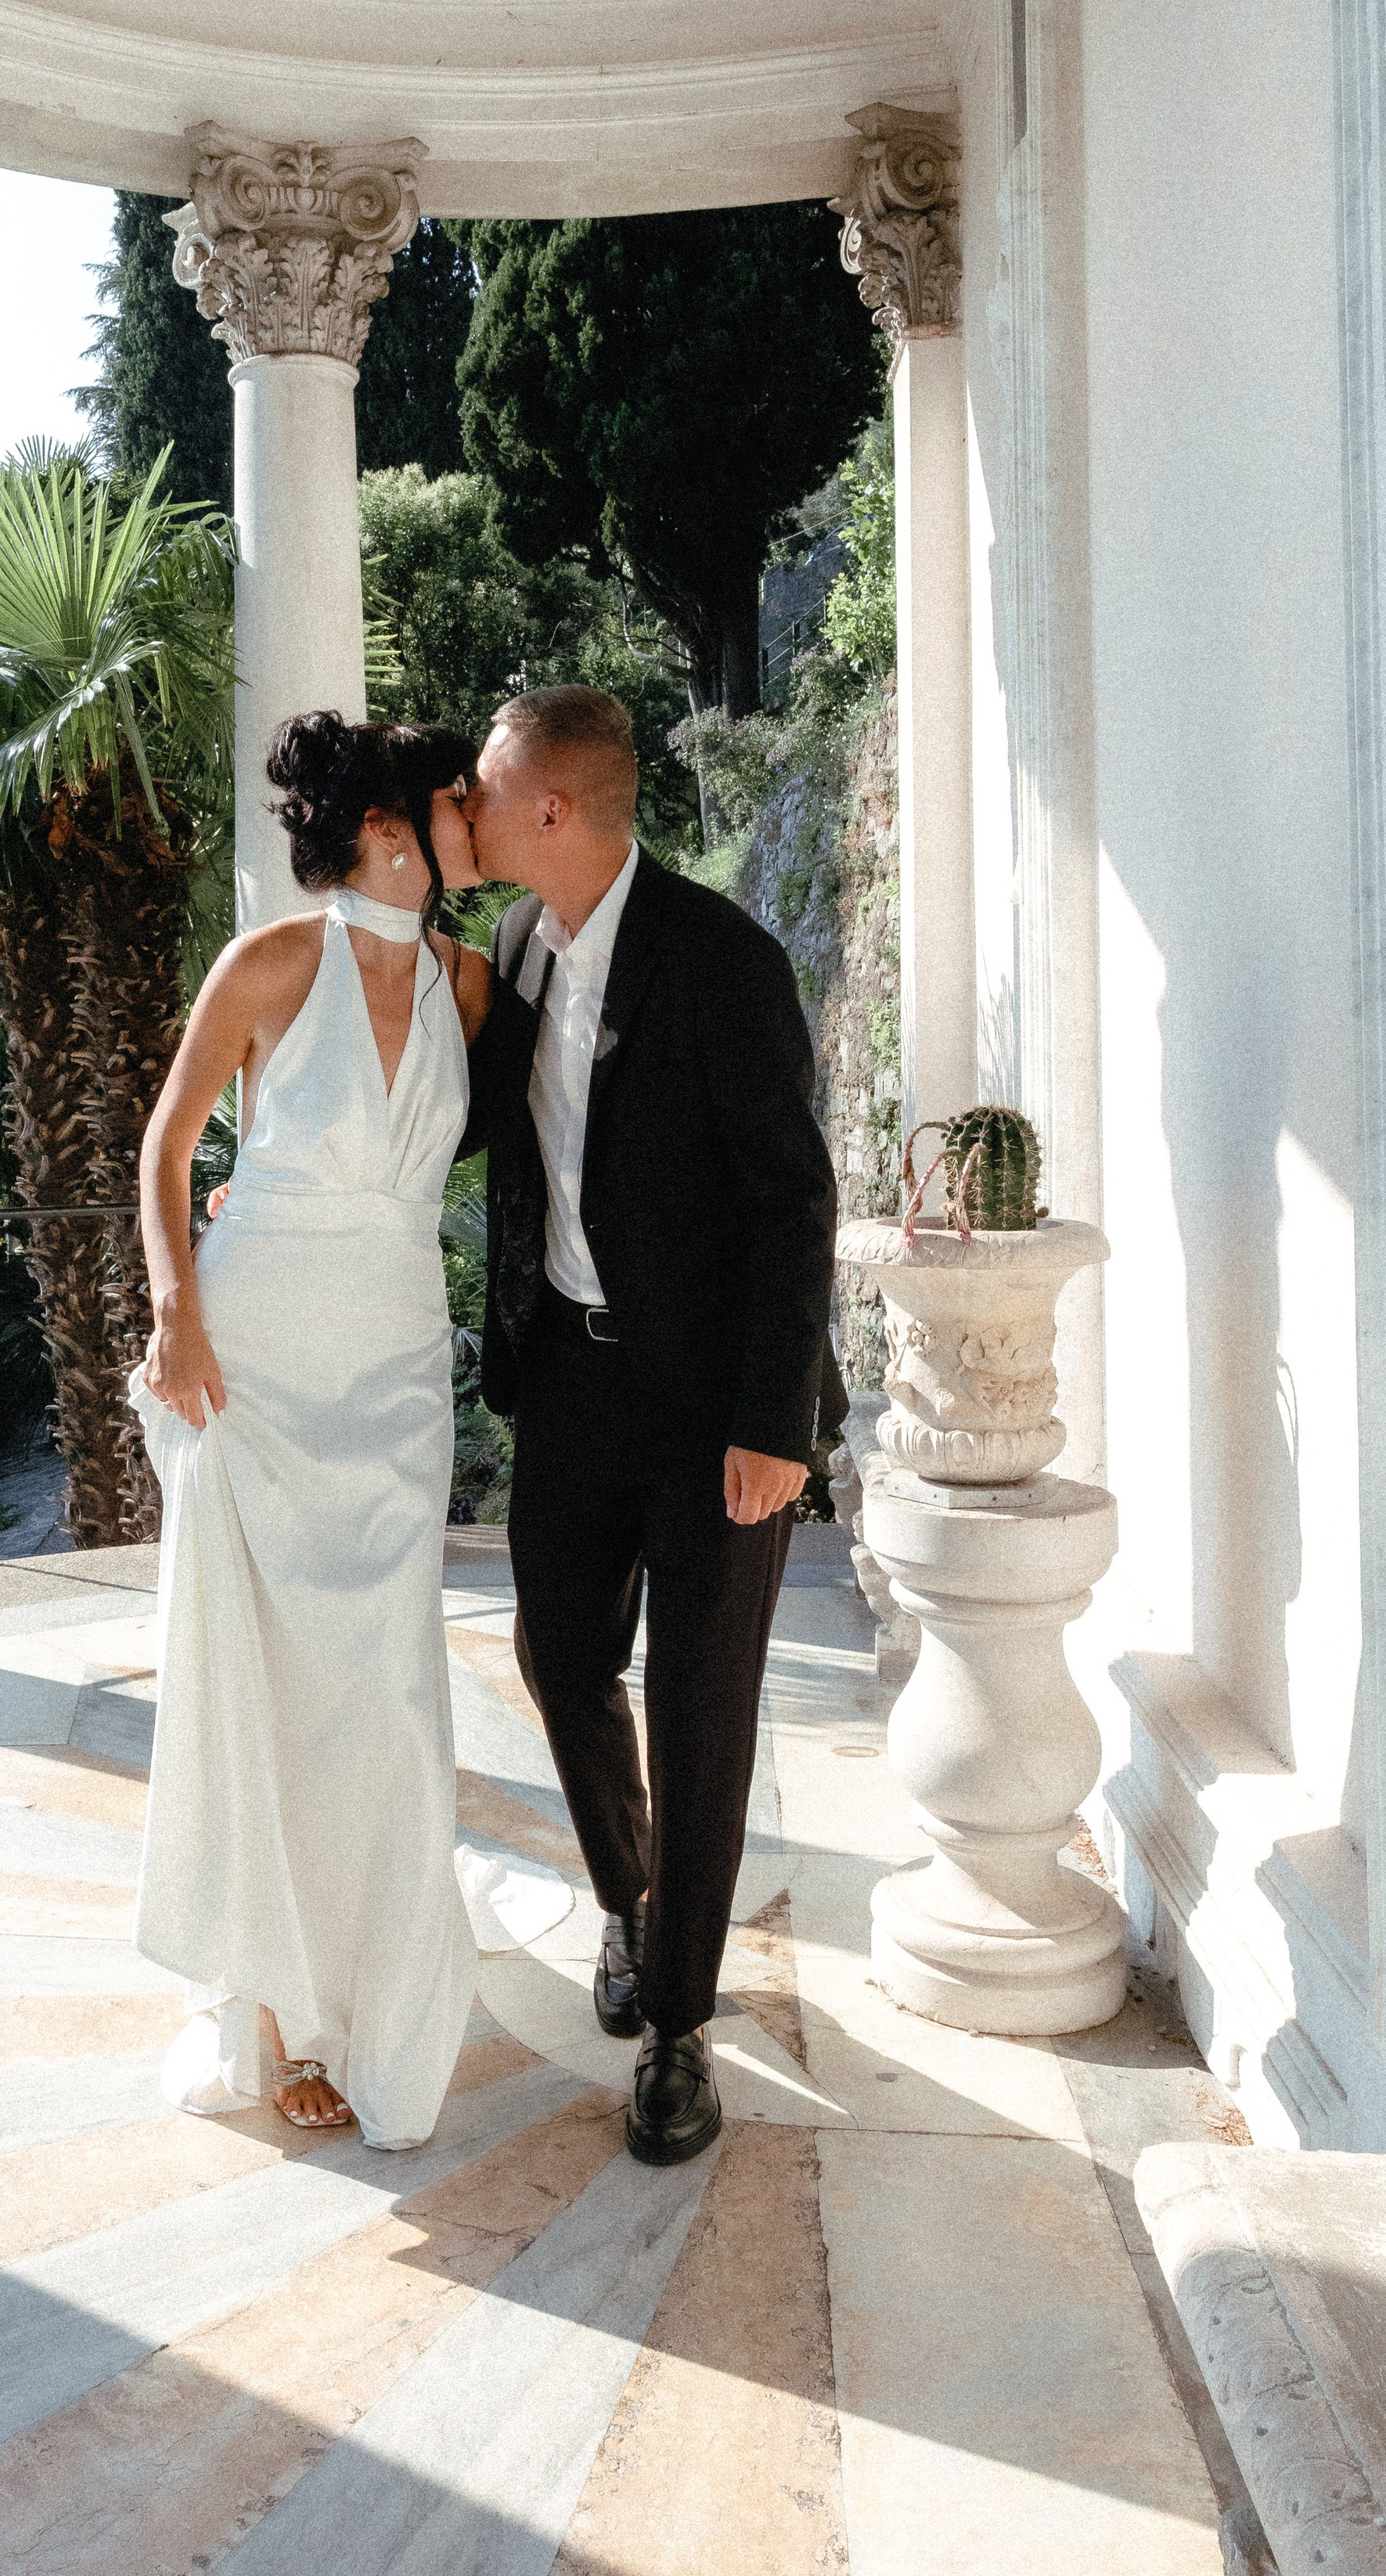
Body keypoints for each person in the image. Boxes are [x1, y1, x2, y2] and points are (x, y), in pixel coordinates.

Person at [466, 685, 841, 2166]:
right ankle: (628, 1902)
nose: (471, 815)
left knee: (699, 1707)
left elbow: (790, 1199)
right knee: (559, 1659)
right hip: (568, 1379)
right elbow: (478, 1129)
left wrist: (775, 1422)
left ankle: (680, 2021)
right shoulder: (512, 945)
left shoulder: (721, 963)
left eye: (489, 794)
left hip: (713, 1411)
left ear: (552, 812)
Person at [132, 711, 490, 2147]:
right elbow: (167, 1142)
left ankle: (383, 1993)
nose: (478, 816)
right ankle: (273, 2012)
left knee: (390, 1689)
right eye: (458, 800)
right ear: (395, 827)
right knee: (265, 1679)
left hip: (398, 1359)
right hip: (257, 1351)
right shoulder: (272, 962)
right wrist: (177, 1314)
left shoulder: (472, 982)